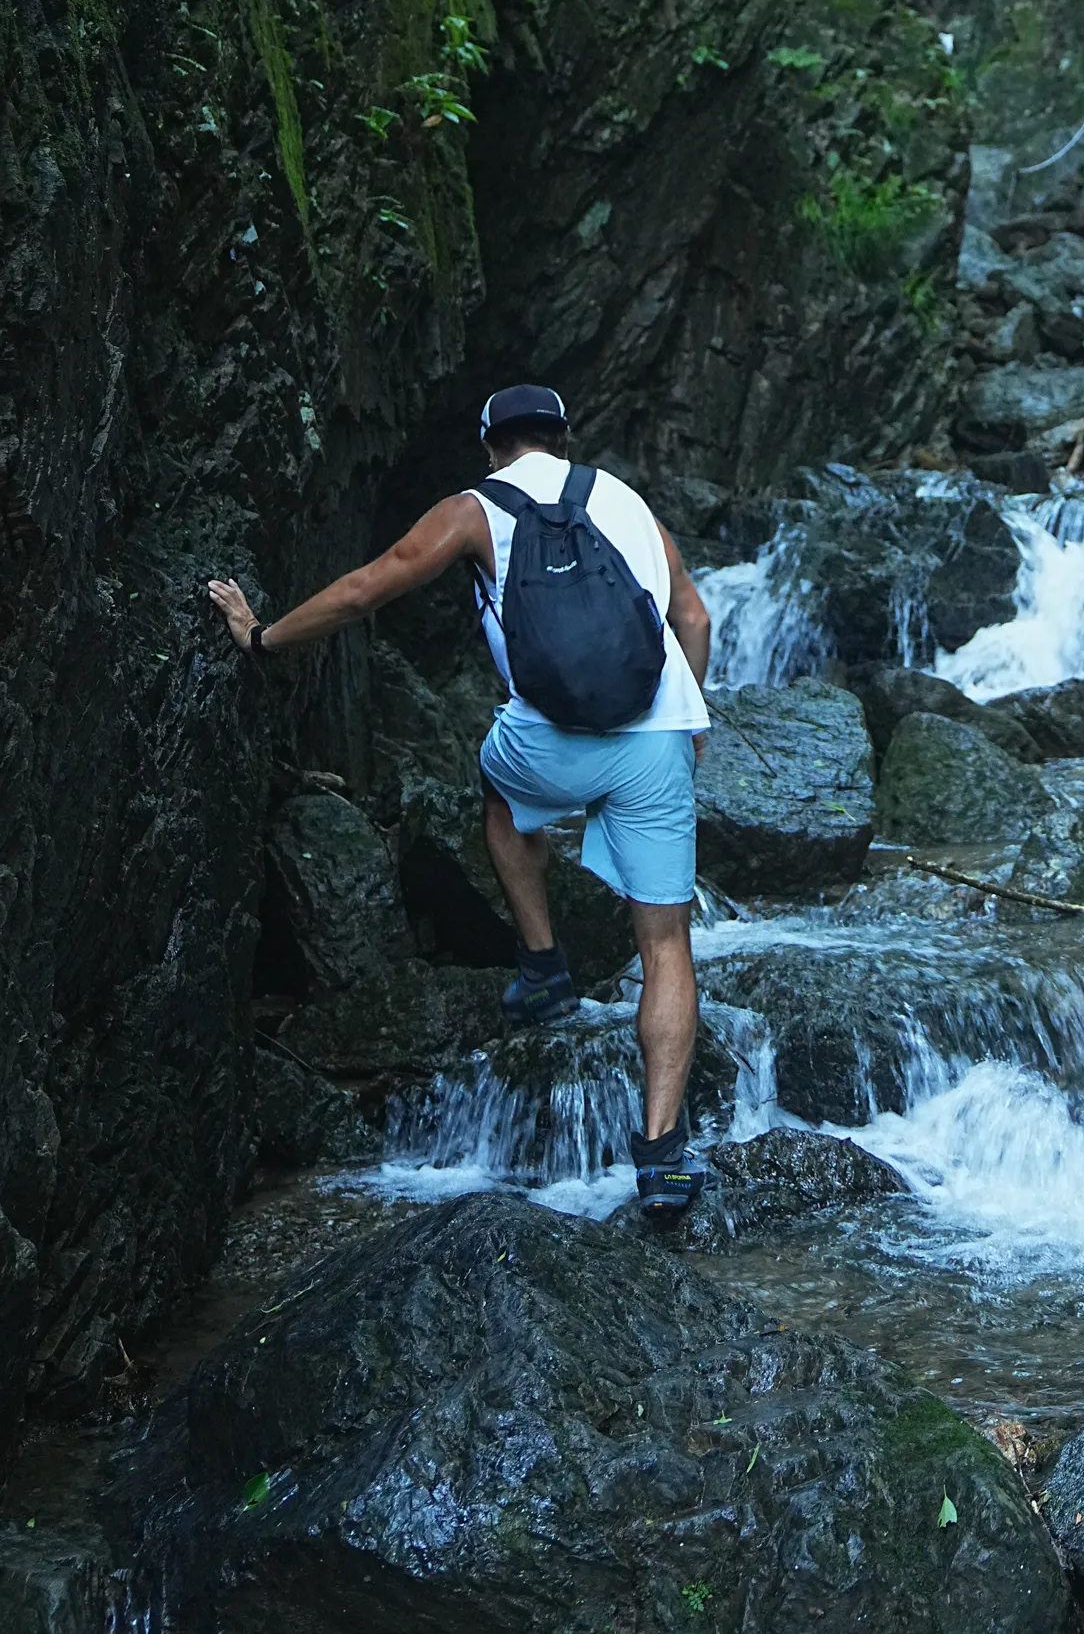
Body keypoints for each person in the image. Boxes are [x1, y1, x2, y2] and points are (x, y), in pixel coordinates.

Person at [207, 382, 712, 1212]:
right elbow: (690, 615)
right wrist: (690, 716)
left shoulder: (476, 509)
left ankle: (544, 964)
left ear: (491, 446)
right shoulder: (625, 500)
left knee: (500, 793)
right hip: (655, 743)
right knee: (665, 946)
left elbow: (370, 588)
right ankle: (661, 1155)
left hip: (547, 745)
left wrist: (261, 636)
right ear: (563, 435)